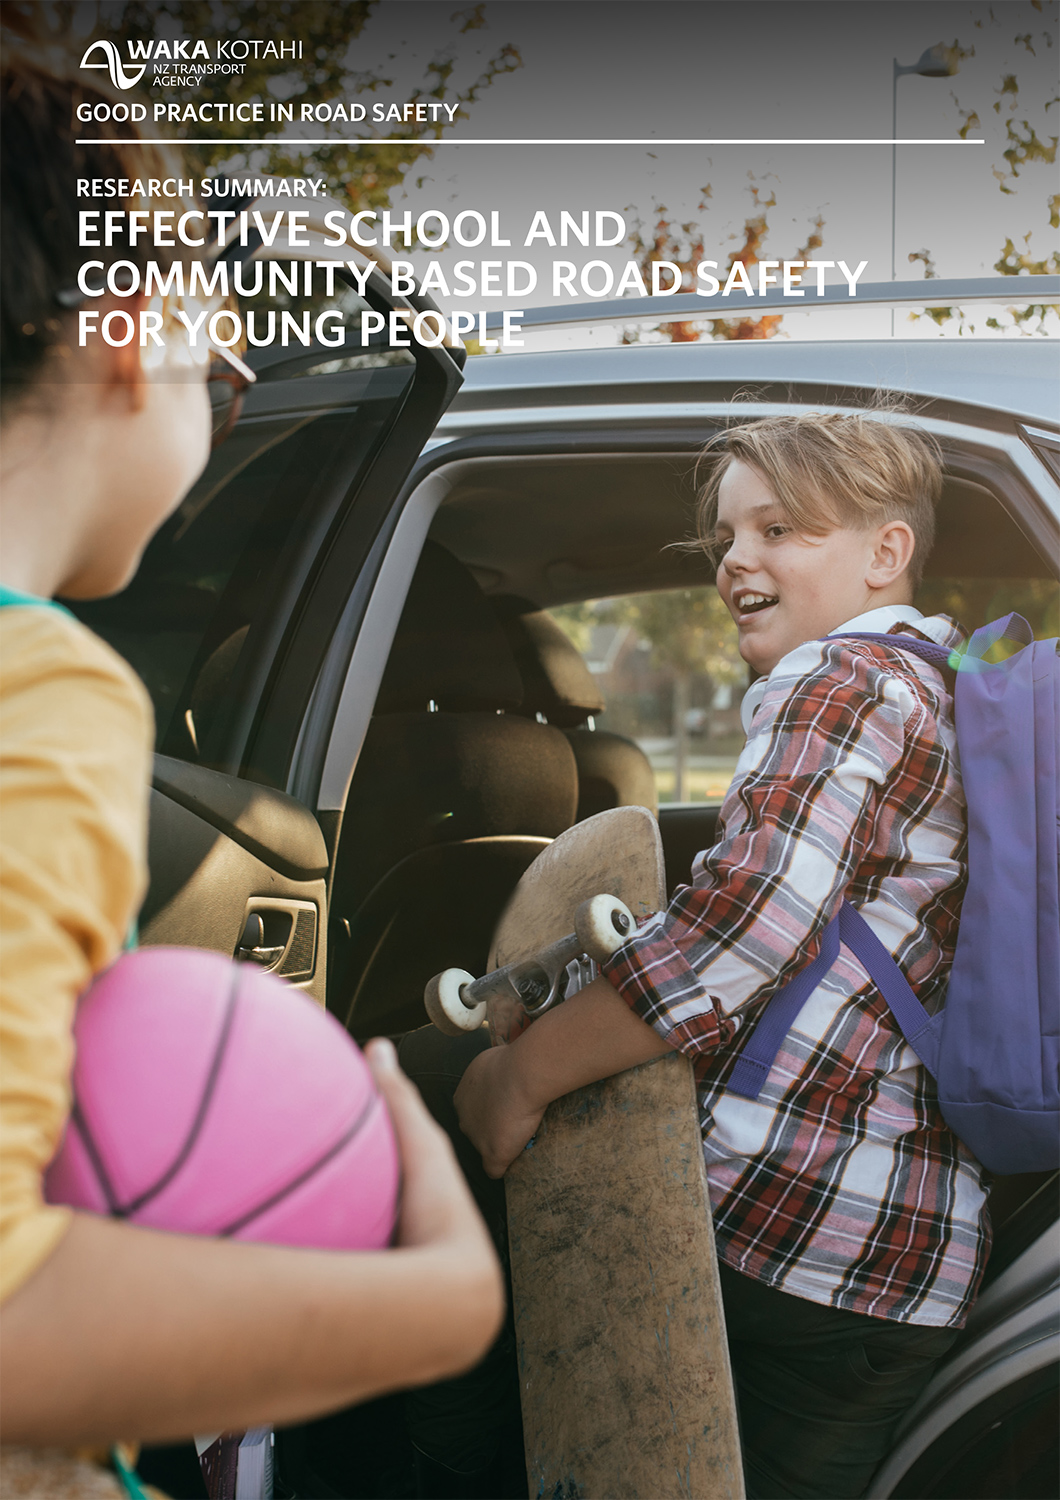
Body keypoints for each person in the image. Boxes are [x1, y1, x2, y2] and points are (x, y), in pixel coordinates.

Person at [0, 48, 503, 1481]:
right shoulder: (43, 691)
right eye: (221, 377)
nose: (221, 412)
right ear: (127, 331)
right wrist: (438, 1301)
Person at [453, 411, 990, 1499]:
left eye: (779, 529)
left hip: (776, 1218)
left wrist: (523, 1073)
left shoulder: (838, 678)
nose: (736, 558)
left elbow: (745, 927)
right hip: (906, 1259)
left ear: (886, 552)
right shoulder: (944, 686)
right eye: (727, 536)